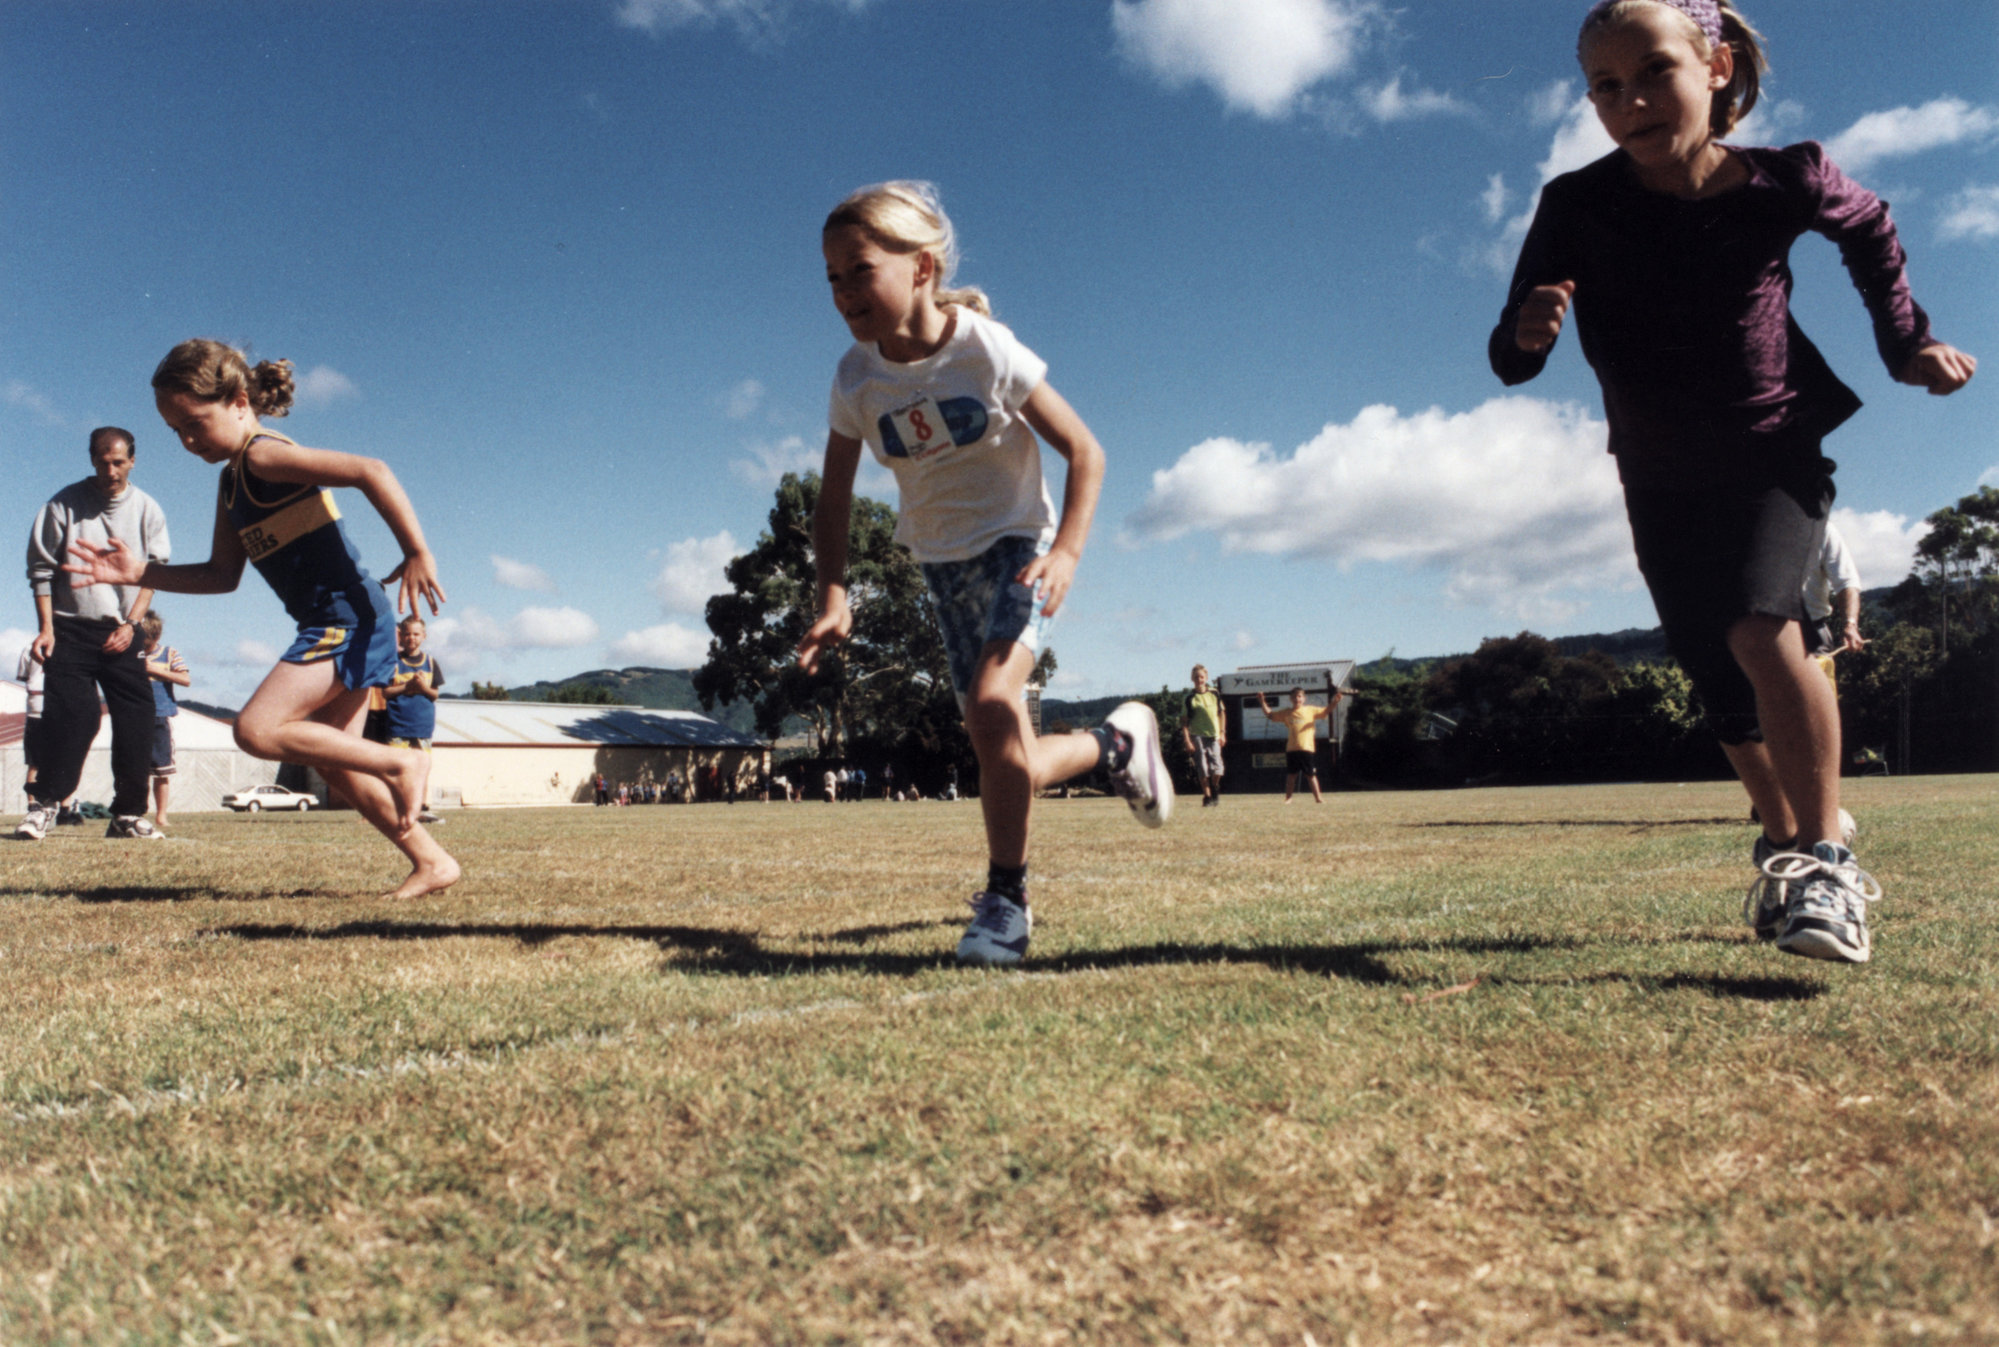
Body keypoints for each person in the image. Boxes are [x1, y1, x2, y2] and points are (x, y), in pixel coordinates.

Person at [1490, 0, 1976, 963]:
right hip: (1657, 472)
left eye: (1651, 71)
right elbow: (1511, 356)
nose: (1628, 99)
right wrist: (1525, 329)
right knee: (1721, 683)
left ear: (1715, 68)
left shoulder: (1783, 178)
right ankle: (1784, 845)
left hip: (1773, 451)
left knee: (1765, 629)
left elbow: (1871, 229)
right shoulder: (1575, 204)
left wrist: (1907, 342)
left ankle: (1828, 863)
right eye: (1604, 86)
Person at [801, 180, 1170, 967]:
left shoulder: (985, 349)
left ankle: (1006, 902)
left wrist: (1064, 551)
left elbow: (1086, 451)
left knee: (993, 703)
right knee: (1005, 754)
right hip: (940, 566)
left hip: (1018, 547)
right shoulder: (854, 380)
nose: (842, 293)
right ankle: (1113, 744)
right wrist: (833, 591)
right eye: (831, 277)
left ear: (922, 267)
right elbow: (831, 497)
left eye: (858, 270)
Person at [65, 339, 460, 900]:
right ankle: (432, 861)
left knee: (256, 729)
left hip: (346, 617)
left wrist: (418, 551)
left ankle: (399, 765)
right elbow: (222, 575)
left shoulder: (260, 456)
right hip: (339, 618)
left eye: (196, 422)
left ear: (239, 399)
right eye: (176, 431)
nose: (188, 440)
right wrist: (137, 571)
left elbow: (371, 470)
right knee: (337, 764)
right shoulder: (232, 482)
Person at [17, 427, 170, 841]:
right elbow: (41, 571)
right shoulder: (62, 504)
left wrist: (132, 624)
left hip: (123, 631)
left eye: (119, 462)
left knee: (137, 718)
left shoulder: (147, 509)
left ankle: (127, 816)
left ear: (132, 461)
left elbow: (154, 573)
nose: (111, 470)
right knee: (75, 719)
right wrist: (46, 628)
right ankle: (44, 805)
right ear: (92, 460)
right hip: (69, 628)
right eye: (103, 461)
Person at [381, 613, 444, 823]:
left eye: (416, 634)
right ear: (400, 637)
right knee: (396, 768)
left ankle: (421, 807)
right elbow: (386, 692)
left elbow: (434, 694)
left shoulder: (431, 663)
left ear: (424, 636)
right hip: (398, 724)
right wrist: (407, 686)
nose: (411, 638)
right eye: (407, 634)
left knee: (421, 767)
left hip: (422, 726)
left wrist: (423, 687)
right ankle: (394, 807)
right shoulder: (393, 662)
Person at [136, 613, 190, 833]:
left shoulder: (170, 653)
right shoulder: (132, 653)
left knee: (162, 770)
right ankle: (135, 812)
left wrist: (154, 669)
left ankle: (161, 815)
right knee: (136, 769)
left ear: (155, 636)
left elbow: (185, 679)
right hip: (136, 715)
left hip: (160, 716)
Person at [1256, 686, 1339, 804]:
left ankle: (1318, 798)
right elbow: (1270, 715)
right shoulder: (1286, 713)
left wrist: (1335, 701)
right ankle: (1288, 798)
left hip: (1307, 748)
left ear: (1304, 698)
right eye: (1294, 696)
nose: (1297, 698)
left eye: (1299, 696)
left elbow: (1326, 711)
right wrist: (1261, 701)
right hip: (1292, 749)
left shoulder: (1310, 710)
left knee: (1311, 775)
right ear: (1290, 699)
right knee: (1291, 776)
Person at [1183, 664, 1227, 807]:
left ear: (1206, 678)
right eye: (1196, 677)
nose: (1199, 680)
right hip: (1197, 735)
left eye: (1201, 677)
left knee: (1217, 767)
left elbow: (1221, 714)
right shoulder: (1189, 698)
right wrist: (1187, 740)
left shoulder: (1214, 693)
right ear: (1192, 679)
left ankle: (1214, 788)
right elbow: (1184, 722)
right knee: (1202, 766)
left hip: (1214, 735)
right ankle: (1207, 797)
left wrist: (1222, 732)